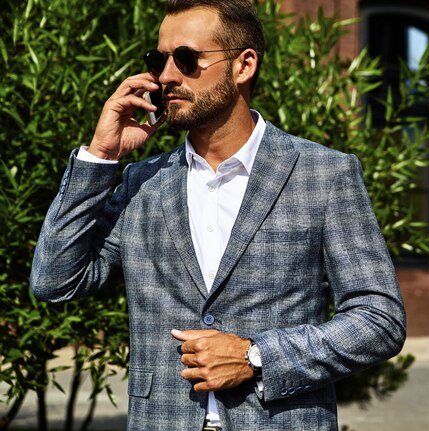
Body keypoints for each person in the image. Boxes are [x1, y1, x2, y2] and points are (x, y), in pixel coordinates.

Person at [30, 0, 406, 430]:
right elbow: (55, 280)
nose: (167, 76)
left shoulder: (323, 174)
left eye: (188, 59)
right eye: (159, 60)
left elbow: (379, 320)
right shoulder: (143, 183)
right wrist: (101, 156)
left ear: (244, 65)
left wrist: (256, 356)